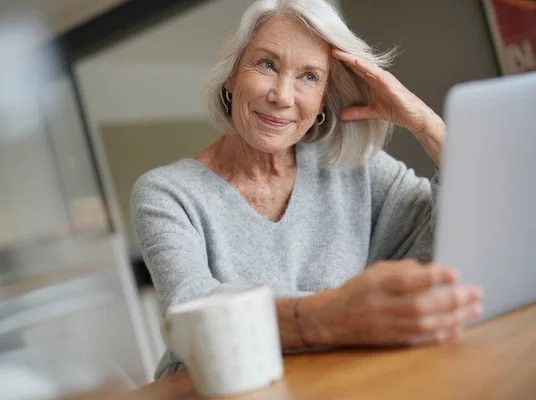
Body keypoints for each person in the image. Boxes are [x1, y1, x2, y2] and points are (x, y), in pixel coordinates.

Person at [132, 0, 483, 378]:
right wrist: (336, 314)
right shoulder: (167, 193)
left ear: (322, 101)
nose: (282, 95)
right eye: (267, 64)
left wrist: (429, 127)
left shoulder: (355, 167)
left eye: (309, 77)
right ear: (230, 77)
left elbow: (454, 242)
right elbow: (191, 312)